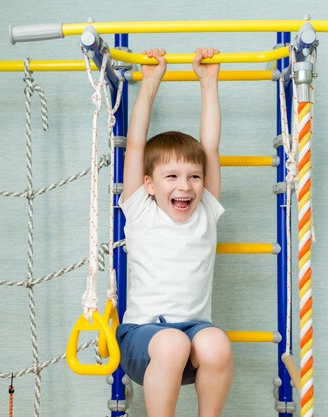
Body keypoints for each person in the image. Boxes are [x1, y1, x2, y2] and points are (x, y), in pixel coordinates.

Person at [116, 47, 233, 417]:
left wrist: (209, 83)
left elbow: (210, 146)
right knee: (169, 343)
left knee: (217, 344)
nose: (185, 186)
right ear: (149, 184)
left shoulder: (205, 212)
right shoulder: (140, 210)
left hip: (193, 334)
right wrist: (150, 84)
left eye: (194, 177)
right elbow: (135, 144)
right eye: (172, 177)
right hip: (143, 339)